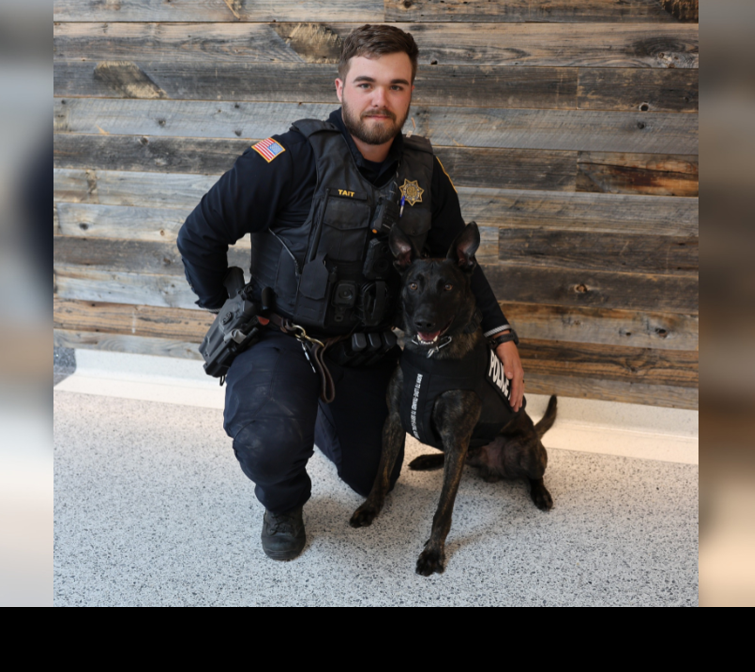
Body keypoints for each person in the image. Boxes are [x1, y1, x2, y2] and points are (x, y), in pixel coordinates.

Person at [176, 24, 525, 561]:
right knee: (269, 441)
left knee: (371, 478)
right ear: (340, 88)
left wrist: (501, 334)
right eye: (365, 84)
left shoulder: (424, 174)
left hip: (365, 348)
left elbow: (460, 262)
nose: (379, 99)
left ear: (410, 92)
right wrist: (224, 304)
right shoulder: (288, 155)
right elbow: (200, 233)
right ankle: (283, 499)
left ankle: (308, 406)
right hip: (280, 335)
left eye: (396, 86)